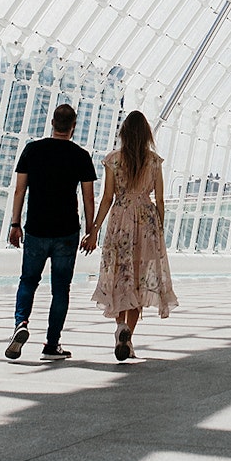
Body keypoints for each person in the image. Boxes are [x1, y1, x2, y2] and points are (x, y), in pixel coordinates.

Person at [81, 110, 178, 361]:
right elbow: (160, 200)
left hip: (120, 219)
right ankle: (129, 337)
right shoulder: (155, 162)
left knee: (118, 276)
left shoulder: (113, 160)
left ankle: (120, 327)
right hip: (146, 222)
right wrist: (159, 230)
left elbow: (107, 198)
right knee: (138, 279)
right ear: (146, 135)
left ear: (123, 133)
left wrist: (93, 231)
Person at [4, 103, 98, 361]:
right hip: (67, 231)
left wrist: (15, 224)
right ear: (73, 127)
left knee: (28, 281)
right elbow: (88, 198)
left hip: (36, 228)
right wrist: (92, 231)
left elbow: (19, 190)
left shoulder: (32, 150)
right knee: (60, 289)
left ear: (52, 123)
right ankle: (52, 344)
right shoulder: (81, 155)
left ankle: (21, 324)